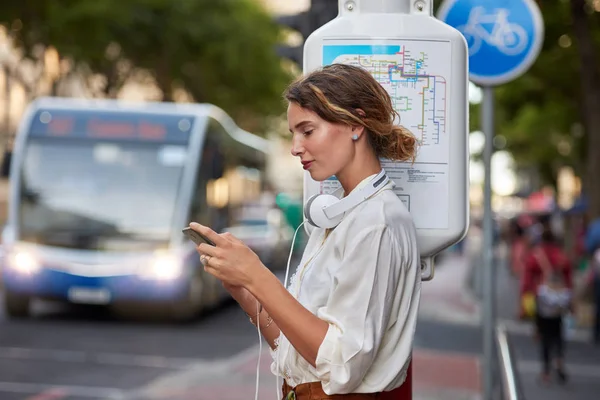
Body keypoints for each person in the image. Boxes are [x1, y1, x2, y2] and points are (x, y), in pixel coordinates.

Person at [188, 63, 421, 399]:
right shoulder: (340, 214)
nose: (296, 147)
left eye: (307, 131)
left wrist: (256, 275)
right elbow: (295, 350)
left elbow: (341, 366)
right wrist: (239, 284)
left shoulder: (376, 222)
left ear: (355, 124)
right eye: (293, 134)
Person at [535, 269, 572, 383]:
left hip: (551, 321)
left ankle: (553, 367)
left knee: (553, 345)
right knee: (551, 345)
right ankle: (552, 368)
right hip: (549, 321)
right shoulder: (558, 294)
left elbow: (540, 309)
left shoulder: (556, 293)